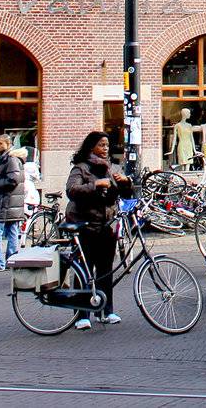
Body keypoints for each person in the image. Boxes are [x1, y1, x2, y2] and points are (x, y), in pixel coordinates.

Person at [64, 130, 133, 329]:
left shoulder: (111, 168)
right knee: (84, 271)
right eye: (101, 145)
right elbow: (72, 190)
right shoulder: (81, 168)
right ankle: (82, 315)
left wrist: (126, 183)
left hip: (106, 226)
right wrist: (95, 184)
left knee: (105, 270)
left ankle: (106, 311)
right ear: (91, 146)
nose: (105, 149)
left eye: (107, 146)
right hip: (85, 226)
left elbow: (126, 196)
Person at [0, 134, 24, 272]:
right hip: (10, 203)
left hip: (4, 202)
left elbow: (13, 180)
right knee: (12, 231)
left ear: (8, 144)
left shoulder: (10, 159)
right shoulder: (9, 159)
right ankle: (11, 260)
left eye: (0, 143)